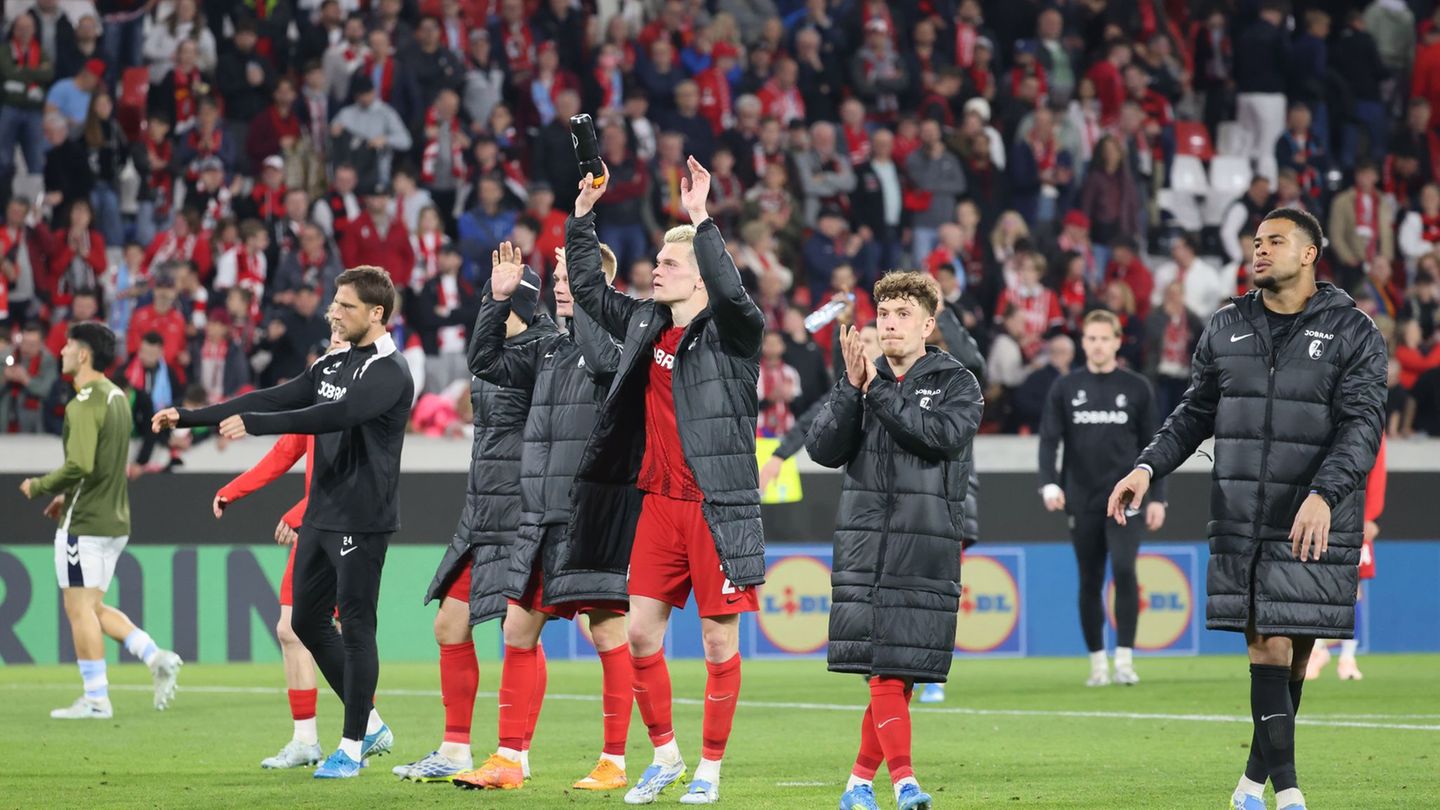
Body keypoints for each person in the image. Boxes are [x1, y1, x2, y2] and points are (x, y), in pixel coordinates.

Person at [1108, 209, 1386, 810]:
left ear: (1309, 254)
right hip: (1243, 515)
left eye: (1275, 241)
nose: (1260, 250)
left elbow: (1363, 425)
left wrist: (1324, 495)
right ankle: (1290, 795)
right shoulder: (1226, 324)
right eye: (1256, 241)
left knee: (1297, 654)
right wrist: (1146, 467)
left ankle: (1248, 788)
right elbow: (1194, 412)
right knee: (1268, 643)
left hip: (1318, 515)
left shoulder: (1353, 330)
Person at [153, 266, 415, 779]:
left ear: (376, 313)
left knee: (357, 629)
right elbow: (274, 397)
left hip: (362, 518)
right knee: (304, 622)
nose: (334, 313)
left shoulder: (391, 371)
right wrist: (191, 416)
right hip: (320, 515)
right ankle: (371, 724)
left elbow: (333, 417)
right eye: (334, 303)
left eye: (345, 306)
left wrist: (256, 426)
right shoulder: (333, 361)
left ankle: (352, 748)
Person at [565, 155, 765, 805]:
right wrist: (582, 219)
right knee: (640, 634)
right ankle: (666, 756)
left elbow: (733, 293)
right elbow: (589, 292)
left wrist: (701, 217)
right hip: (656, 503)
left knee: (716, 639)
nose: (656, 270)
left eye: (670, 264)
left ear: (700, 276)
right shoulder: (646, 322)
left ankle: (710, 768)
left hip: (716, 506)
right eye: (657, 261)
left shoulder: (734, 334)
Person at [449, 242, 631, 791]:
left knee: (607, 631)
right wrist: (496, 299)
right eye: (556, 277)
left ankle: (615, 761)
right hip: (541, 513)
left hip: (592, 513)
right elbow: (485, 362)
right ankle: (508, 758)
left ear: (597, 283)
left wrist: (590, 306)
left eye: (570, 277)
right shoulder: (549, 348)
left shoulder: (622, 343)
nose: (558, 286)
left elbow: (603, 362)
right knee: (518, 627)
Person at [806, 273, 984, 810]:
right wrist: (849, 388)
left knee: (899, 673)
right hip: (865, 545)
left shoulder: (958, 383)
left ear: (928, 325)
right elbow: (822, 449)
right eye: (883, 312)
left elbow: (937, 437)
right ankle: (904, 783)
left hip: (926, 547)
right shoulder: (862, 379)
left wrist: (873, 388)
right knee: (886, 670)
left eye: (903, 313)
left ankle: (858, 785)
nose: (889, 323)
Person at [400, 256, 559, 784]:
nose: (489, 306)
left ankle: (517, 753)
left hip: (524, 511)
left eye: (501, 298)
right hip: (482, 508)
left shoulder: (547, 350)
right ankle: (454, 749)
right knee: (449, 624)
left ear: (523, 302)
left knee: (523, 632)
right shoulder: (490, 352)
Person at [20, 322, 183, 719]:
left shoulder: (82, 404)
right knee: (92, 606)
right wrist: (66, 496)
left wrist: (40, 485)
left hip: (85, 525)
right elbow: (104, 464)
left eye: (68, 346)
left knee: (79, 610)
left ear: (84, 354)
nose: (61, 352)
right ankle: (155, 656)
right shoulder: (116, 397)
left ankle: (96, 700)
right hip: (115, 520)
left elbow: (80, 464)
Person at [211, 325, 348, 769]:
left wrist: (300, 513)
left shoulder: (361, 405)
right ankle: (307, 739)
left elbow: (351, 481)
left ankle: (362, 732)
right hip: (315, 529)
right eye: (331, 336)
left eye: (341, 336)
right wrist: (232, 490)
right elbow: (281, 456)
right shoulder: (318, 408)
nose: (333, 343)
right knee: (291, 629)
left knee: (341, 634)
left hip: (348, 531)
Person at [1039, 310, 1167, 687]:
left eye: (1104, 338)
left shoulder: (1137, 387)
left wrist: (1158, 497)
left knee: (1125, 571)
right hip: (1082, 499)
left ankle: (1124, 660)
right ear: (1084, 342)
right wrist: (1049, 484)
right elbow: (1049, 440)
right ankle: (1097, 663)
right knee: (1090, 579)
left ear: (1116, 341)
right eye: (1091, 338)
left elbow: (1156, 446)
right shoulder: (1065, 387)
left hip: (1127, 501)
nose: (1097, 345)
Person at [1307, 433, 1386, 681]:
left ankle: (1346, 657)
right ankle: (1317, 649)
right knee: (1317, 584)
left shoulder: (1369, 424)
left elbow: (1377, 469)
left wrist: (1370, 515)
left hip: (1354, 515)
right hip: (1321, 509)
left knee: (1353, 586)